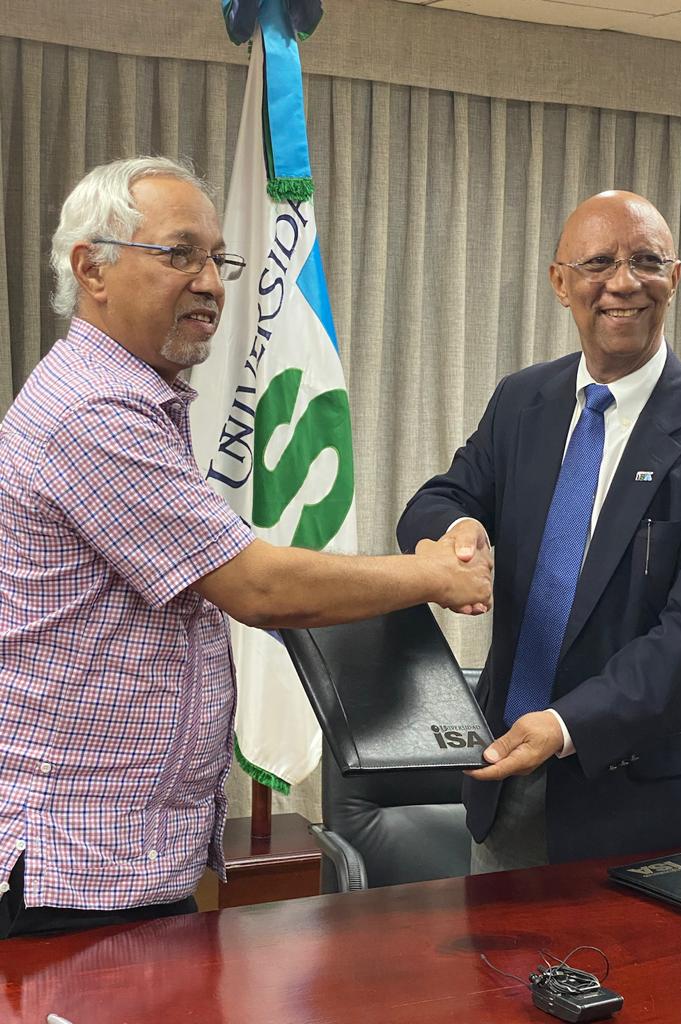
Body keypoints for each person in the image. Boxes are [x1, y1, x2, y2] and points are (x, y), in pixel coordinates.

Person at [0, 156, 492, 938]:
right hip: (73, 865)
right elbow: (257, 587)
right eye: (180, 254)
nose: (211, 282)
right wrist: (429, 572)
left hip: (121, 855)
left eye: (219, 260)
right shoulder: (91, 411)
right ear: (92, 267)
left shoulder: (132, 396)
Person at [398, 190, 681, 871]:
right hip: (503, 785)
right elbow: (439, 498)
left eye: (647, 261)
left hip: (647, 813)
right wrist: (461, 530)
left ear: (675, 278)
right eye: (598, 262)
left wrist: (568, 725)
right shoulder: (521, 402)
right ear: (560, 282)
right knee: (491, 979)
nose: (623, 282)